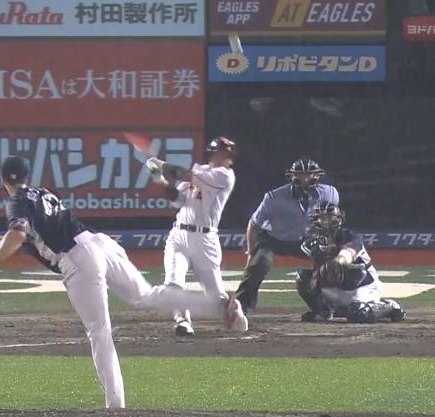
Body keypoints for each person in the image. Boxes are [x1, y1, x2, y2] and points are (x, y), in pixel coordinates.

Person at [0, 156, 248, 410]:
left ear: (2, 180)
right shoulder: (43, 192)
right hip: (100, 243)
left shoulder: (17, 202)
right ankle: (218, 306)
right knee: (147, 294)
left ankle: (116, 409)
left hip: (77, 259)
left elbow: (17, 234)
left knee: (100, 332)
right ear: (28, 177)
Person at [154, 136, 238, 336]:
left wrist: (161, 165)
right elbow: (178, 200)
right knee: (173, 282)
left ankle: (234, 313)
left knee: (215, 296)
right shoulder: (201, 172)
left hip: (205, 239)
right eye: (221, 153)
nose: (225, 157)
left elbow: (184, 174)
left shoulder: (225, 176)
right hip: (179, 235)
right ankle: (183, 321)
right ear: (212, 153)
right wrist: (161, 181)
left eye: (227, 154)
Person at [235, 157, 339, 313]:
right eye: (300, 175)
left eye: (309, 174)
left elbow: (330, 220)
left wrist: (329, 244)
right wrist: (250, 253)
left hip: (306, 240)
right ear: (292, 176)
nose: (305, 179)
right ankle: (242, 306)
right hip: (273, 239)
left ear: (317, 175)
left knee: (331, 262)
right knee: (260, 263)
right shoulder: (274, 197)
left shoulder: (330, 193)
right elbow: (254, 223)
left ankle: (326, 304)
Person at [296, 202, 406, 323]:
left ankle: (389, 306)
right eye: (322, 218)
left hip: (364, 286)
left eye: (329, 218)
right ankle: (324, 311)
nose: (326, 222)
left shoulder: (350, 237)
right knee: (303, 277)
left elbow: (348, 253)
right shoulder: (311, 245)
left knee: (358, 313)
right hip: (337, 288)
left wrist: (337, 262)